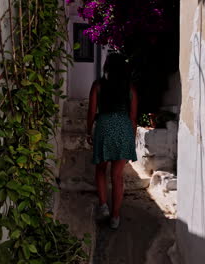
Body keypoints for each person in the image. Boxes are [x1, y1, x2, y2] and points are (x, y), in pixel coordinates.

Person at [86, 53, 138, 229]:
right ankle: (115, 217)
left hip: (105, 127)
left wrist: (88, 131)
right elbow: (133, 117)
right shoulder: (130, 89)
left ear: (107, 66)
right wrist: (131, 137)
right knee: (117, 176)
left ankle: (103, 206)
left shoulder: (98, 86)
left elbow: (92, 112)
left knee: (101, 169)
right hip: (123, 128)